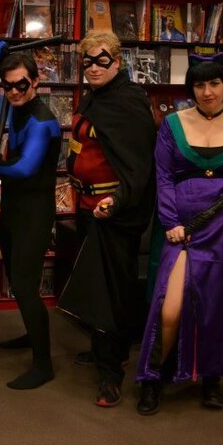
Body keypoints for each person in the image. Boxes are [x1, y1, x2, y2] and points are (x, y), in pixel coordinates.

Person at [134, 57, 223, 415]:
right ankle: (153, 377)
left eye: (214, 84)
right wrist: (171, 221)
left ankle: (213, 376)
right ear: (192, 90)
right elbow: (164, 176)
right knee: (170, 307)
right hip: (184, 226)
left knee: (220, 304)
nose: (207, 92)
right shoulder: (171, 125)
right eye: (199, 85)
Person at [57, 31, 157, 407]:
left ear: (118, 62)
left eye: (102, 60)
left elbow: (138, 166)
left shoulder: (128, 101)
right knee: (95, 285)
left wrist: (115, 201)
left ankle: (110, 372)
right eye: (87, 62)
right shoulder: (94, 99)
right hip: (86, 210)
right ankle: (107, 350)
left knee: (110, 291)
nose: (93, 68)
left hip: (114, 215)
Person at [0, 52, 62, 389]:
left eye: (22, 84)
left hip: (34, 211)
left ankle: (43, 365)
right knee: (17, 281)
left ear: (36, 82)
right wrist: (3, 54)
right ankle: (33, 334)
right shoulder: (16, 108)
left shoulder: (43, 121)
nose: (14, 91)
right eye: (8, 85)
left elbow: (25, 168)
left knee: (27, 288)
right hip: (14, 208)